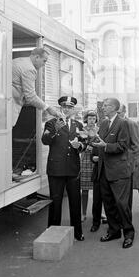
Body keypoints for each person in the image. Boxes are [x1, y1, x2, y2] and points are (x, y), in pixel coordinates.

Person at [92, 98, 135, 249]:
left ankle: (128, 234)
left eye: (106, 105)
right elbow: (100, 142)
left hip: (119, 171)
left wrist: (106, 146)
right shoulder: (103, 123)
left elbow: (123, 146)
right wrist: (92, 139)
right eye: (103, 105)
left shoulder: (123, 123)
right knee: (108, 204)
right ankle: (114, 230)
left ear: (115, 108)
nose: (103, 107)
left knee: (122, 204)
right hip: (103, 170)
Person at [41, 95, 86, 241]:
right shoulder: (51, 123)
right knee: (56, 202)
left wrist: (80, 146)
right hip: (56, 169)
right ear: (60, 107)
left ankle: (77, 232)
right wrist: (55, 130)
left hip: (73, 168)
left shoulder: (78, 125)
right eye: (65, 106)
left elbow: (84, 143)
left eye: (70, 107)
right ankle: (52, 233)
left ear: (73, 109)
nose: (67, 109)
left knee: (75, 201)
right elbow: (45, 141)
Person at [12, 47, 59, 127]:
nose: (44, 64)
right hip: (10, 105)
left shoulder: (17, 60)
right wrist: (48, 108)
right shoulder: (29, 69)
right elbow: (31, 97)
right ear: (37, 57)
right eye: (44, 61)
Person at [117, 103, 139, 211]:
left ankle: (126, 220)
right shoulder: (111, 123)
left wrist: (131, 162)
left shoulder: (130, 124)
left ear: (124, 112)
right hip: (113, 166)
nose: (117, 115)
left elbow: (136, 145)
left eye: (119, 113)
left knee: (126, 197)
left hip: (126, 165)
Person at [80, 110, 99, 223]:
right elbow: (79, 145)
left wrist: (96, 148)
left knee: (98, 190)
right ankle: (83, 213)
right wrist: (85, 147)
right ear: (86, 119)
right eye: (90, 118)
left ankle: (98, 212)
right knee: (85, 190)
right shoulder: (82, 130)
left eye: (93, 118)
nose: (92, 120)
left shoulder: (99, 129)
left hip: (96, 160)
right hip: (86, 160)